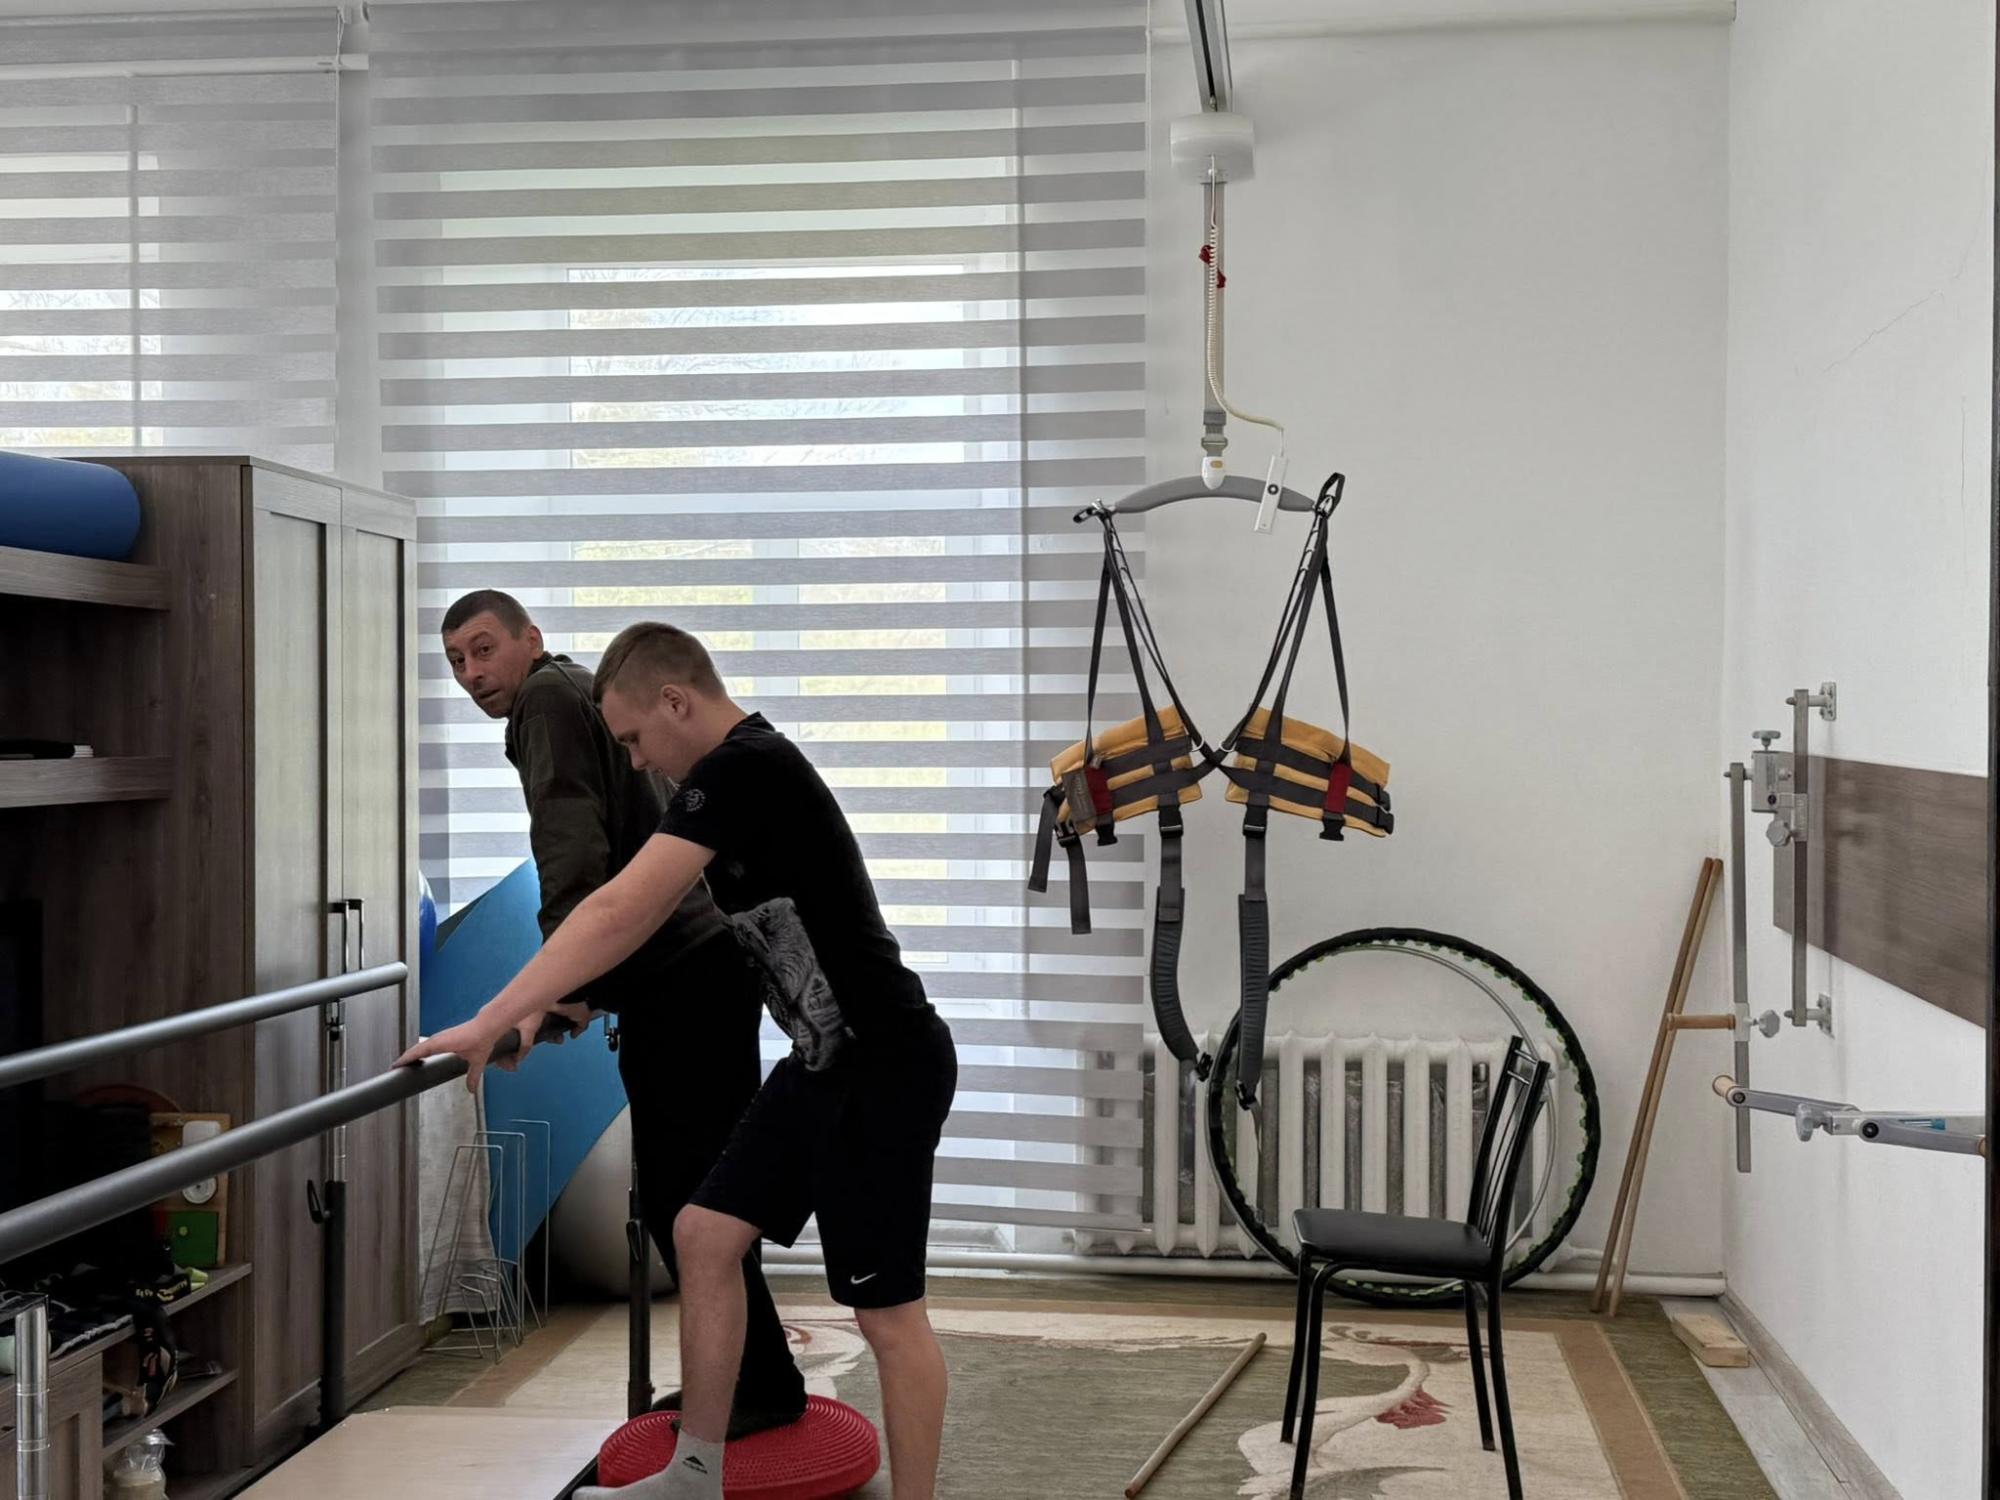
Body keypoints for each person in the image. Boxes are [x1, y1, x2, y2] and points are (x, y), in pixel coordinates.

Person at [402, 622, 956, 1500]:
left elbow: (619, 906)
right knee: (702, 1234)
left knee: (886, 1316)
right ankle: (695, 1477)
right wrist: (551, 1003)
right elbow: (642, 921)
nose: (634, 760)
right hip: (823, 1062)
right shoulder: (729, 779)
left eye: (633, 739)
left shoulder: (743, 767)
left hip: (886, 1065)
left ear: (675, 701)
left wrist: (488, 1019)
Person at [437, 592, 805, 1437]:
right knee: (704, 1188)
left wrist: (561, 988)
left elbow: (570, 845)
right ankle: (756, 1376)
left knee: (688, 1195)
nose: (472, 673)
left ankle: (757, 1385)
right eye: (456, 660)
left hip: (681, 973)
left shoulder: (544, 700)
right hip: (698, 964)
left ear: (530, 639)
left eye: (484, 649)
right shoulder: (572, 690)